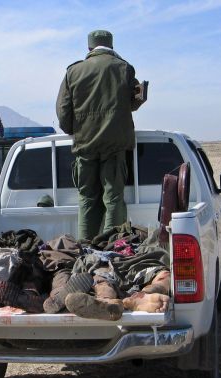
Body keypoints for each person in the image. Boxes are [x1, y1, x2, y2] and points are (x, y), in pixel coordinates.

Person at [56, 29, 146, 241]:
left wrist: (77, 131)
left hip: (85, 145)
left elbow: (63, 112)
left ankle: (86, 248)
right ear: (111, 46)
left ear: (89, 48)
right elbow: (133, 102)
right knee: (113, 199)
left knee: (87, 199)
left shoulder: (73, 71)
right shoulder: (124, 68)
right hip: (115, 146)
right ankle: (110, 249)